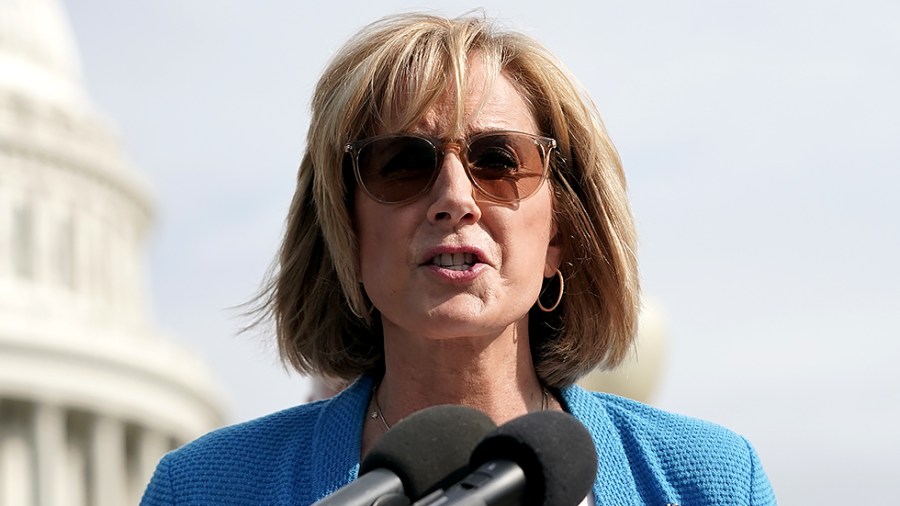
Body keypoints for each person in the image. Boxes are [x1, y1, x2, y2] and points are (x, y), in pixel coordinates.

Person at [141, 12, 776, 506]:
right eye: (403, 164)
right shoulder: (204, 487)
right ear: (347, 234)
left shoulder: (708, 481)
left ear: (558, 238)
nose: (454, 198)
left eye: (499, 161)